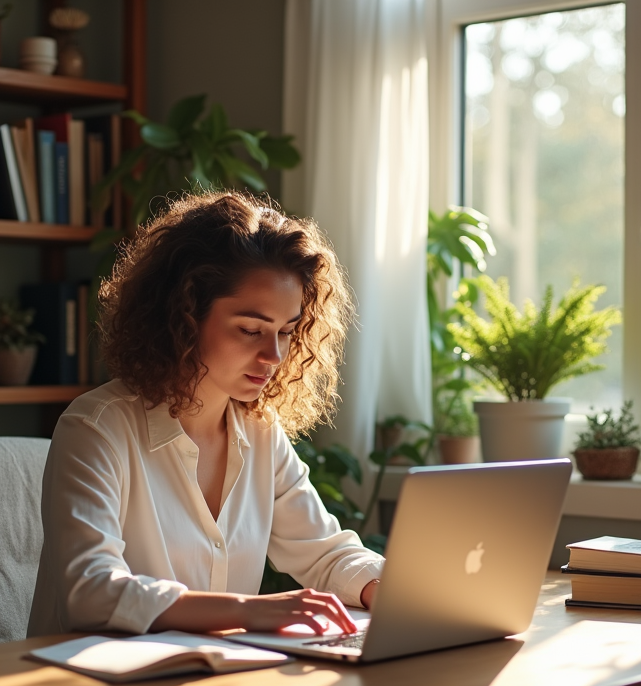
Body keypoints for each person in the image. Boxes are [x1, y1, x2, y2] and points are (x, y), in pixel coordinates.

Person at [27, 191, 383, 639]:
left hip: (211, 685)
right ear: (186, 315)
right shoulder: (97, 428)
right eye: (251, 330)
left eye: (287, 332)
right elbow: (91, 593)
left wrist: (391, 589)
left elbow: (325, 554)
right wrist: (245, 612)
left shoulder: (260, 433)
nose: (274, 355)